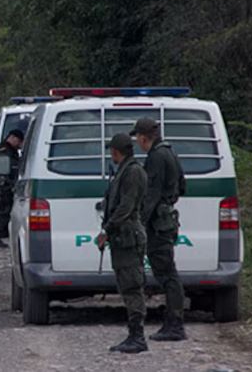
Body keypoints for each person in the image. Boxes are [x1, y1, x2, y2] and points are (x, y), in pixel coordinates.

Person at [131, 117, 187, 341]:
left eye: (138, 138)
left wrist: (139, 221)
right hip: (167, 218)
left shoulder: (156, 156)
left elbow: (151, 195)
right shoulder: (170, 152)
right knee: (168, 272)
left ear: (144, 137)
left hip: (158, 223)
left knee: (167, 274)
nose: (137, 143)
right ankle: (173, 322)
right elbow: (182, 186)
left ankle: (175, 324)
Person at [97, 133, 148, 354]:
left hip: (128, 237)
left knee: (131, 286)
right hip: (122, 237)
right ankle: (134, 334)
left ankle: (137, 336)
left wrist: (107, 230)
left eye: (112, 151)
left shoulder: (133, 172)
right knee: (126, 285)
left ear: (117, 151)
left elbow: (126, 207)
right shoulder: (125, 171)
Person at [0, 129, 24, 248]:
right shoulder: (4, 151)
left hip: (7, 184)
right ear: (12, 138)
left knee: (5, 211)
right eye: (18, 141)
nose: (19, 145)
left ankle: (0, 234)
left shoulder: (10, 150)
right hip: (3, 186)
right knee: (4, 211)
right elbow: (3, 169)